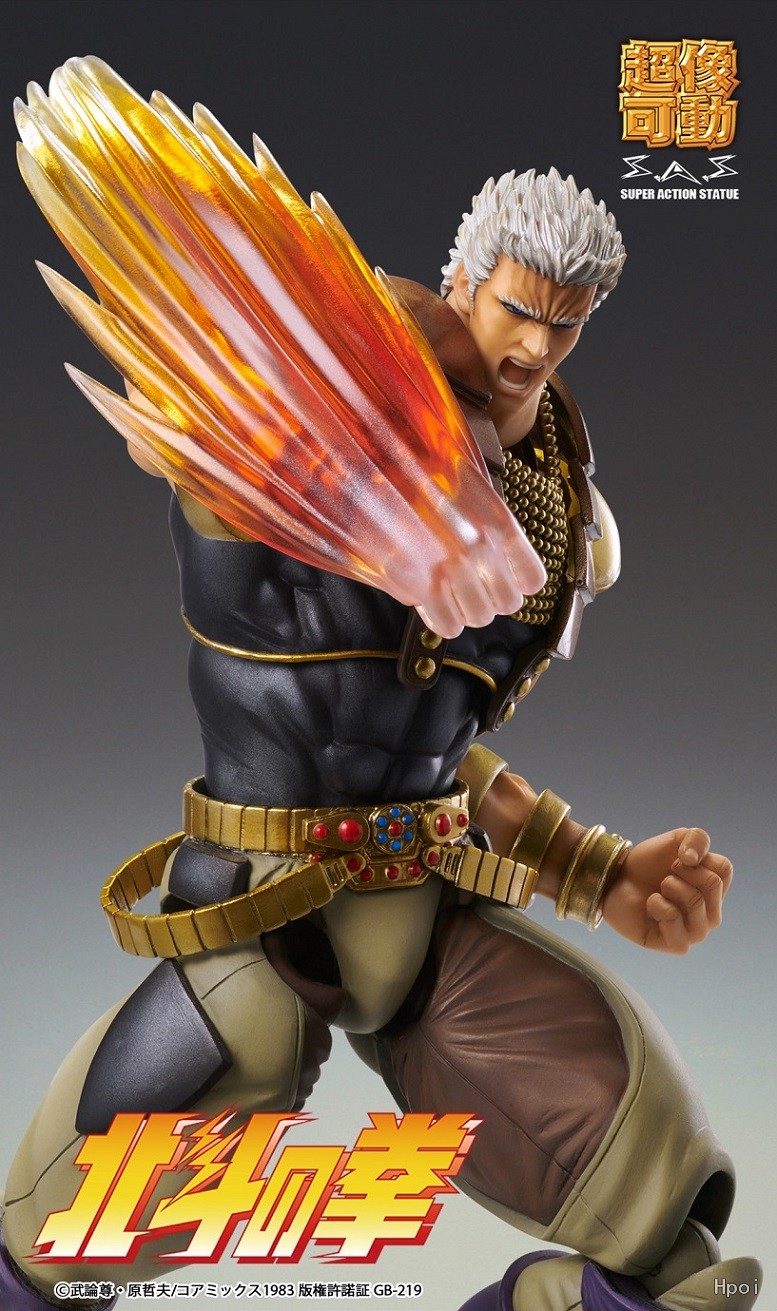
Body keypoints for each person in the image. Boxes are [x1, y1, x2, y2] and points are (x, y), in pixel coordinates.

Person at [4, 62, 761, 1311]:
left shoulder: (551, 506)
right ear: (464, 284)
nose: (533, 347)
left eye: (565, 325)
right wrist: (311, 420)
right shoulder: (297, 437)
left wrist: (602, 873)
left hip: (425, 911)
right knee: (70, 1222)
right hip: (267, 910)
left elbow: (442, 745)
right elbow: (227, 411)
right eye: (515, 310)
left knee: (651, 1199)